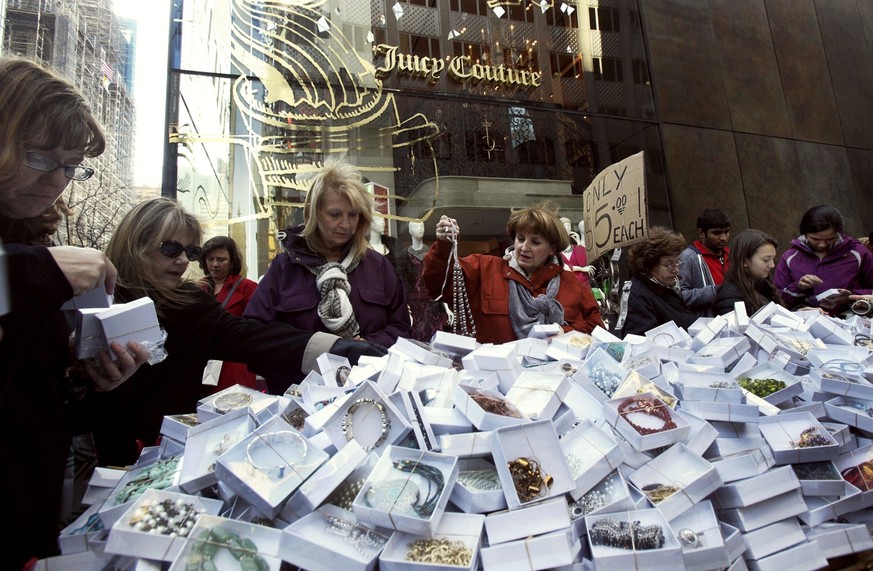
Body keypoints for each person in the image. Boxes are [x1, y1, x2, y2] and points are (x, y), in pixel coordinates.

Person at [77, 198, 384, 468]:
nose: (184, 260)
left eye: (190, 251)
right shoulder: (87, 300)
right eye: (171, 249)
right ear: (135, 244)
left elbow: (258, 339)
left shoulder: (191, 306)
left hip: (166, 459)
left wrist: (350, 350)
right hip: (89, 461)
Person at [0, 57, 150, 567]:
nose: (57, 180)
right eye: (40, 157)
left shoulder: (31, 236)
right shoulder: (34, 261)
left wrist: (84, 374)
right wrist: (37, 271)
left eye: (70, 166)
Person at [244, 159, 412, 346]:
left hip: (366, 373)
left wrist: (365, 346)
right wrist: (310, 350)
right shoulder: (284, 267)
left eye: (353, 214)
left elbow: (402, 329)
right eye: (335, 214)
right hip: (301, 374)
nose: (346, 225)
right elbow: (254, 333)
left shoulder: (378, 266)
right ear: (311, 213)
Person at [422, 204, 604, 344]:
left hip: (553, 383)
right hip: (495, 386)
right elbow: (438, 284)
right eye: (520, 238)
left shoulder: (571, 284)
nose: (524, 248)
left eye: (535, 242)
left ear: (552, 249)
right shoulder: (485, 269)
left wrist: (566, 332)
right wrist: (444, 246)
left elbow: (597, 333)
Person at [774, 205, 873, 312]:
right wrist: (798, 287)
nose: (822, 244)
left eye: (830, 239)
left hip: (853, 319)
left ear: (838, 234)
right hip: (808, 322)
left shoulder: (858, 253)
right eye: (815, 239)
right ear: (805, 233)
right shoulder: (790, 258)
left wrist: (851, 296)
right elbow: (777, 300)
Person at [199, 235, 259, 393]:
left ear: (232, 262)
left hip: (233, 363)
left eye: (221, 259)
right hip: (201, 362)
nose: (214, 264)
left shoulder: (248, 288)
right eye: (210, 259)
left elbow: (253, 328)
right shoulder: (198, 288)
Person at [621, 226, 697, 336]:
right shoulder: (639, 297)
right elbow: (641, 343)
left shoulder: (664, 285)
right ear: (648, 264)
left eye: (677, 262)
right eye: (669, 264)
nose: (676, 269)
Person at [712, 230, 783, 316]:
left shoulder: (764, 285)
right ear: (745, 261)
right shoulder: (729, 298)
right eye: (766, 260)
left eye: (773, 259)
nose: (772, 265)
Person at [678, 208, 730, 317]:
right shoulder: (689, 257)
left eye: (726, 232)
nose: (723, 238)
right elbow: (680, 296)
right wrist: (716, 291)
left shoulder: (731, 254)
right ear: (701, 233)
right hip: (708, 325)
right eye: (717, 233)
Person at [401, 220, 448, 342]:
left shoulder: (432, 253)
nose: (420, 229)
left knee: (437, 339)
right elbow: (402, 282)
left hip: (432, 303)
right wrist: (405, 307)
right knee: (418, 340)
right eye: (416, 227)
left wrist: (446, 306)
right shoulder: (403, 256)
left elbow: (441, 281)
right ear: (410, 231)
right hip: (414, 306)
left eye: (422, 226)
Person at [559, 217, 594, 285]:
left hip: (582, 284)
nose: (566, 228)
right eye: (564, 226)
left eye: (568, 226)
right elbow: (562, 267)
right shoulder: (555, 251)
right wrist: (582, 269)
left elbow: (583, 263)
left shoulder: (576, 248)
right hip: (565, 285)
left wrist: (579, 243)